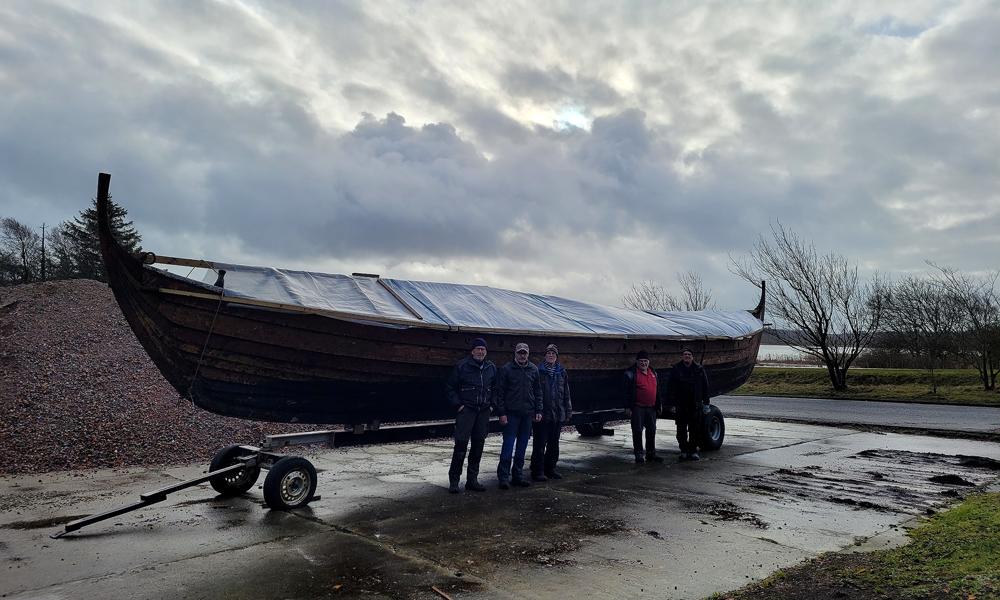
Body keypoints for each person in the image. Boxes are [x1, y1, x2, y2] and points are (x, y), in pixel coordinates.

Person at [444, 337, 496, 493]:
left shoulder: (491, 367)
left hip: (483, 412)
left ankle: (472, 480)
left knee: (478, 446)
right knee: (460, 445)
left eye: (483, 349)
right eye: (478, 349)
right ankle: (454, 480)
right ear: (472, 351)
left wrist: (492, 406)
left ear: (486, 352)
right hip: (467, 411)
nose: (480, 352)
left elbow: (496, 388)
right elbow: (450, 387)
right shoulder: (462, 366)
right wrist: (458, 405)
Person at [494, 342, 543, 489]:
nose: (522, 355)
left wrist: (538, 410)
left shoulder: (534, 369)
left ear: (528, 354)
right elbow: (499, 393)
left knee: (522, 447)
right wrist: (501, 413)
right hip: (511, 415)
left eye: (525, 353)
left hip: (527, 415)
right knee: (508, 446)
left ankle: (518, 476)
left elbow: (538, 392)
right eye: (520, 353)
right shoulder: (506, 369)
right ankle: (503, 477)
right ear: (515, 353)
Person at [530, 344, 573, 482]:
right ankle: (537, 470)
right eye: (548, 353)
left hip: (558, 413)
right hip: (542, 414)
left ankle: (551, 469)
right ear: (545, 355)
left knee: (554, 444)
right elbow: (535, 393)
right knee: (540, 443)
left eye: (553, 353)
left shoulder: (562, 372)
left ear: (556, 356)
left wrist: (568, 410)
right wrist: (537, 410)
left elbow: (566, 393)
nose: (551, 355)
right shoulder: (538, 371)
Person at [667, 348, 710, 461]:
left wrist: (706, 403)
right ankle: (684, 450)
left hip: (695, 405)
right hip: (681, 404)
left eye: (689, 354)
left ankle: (693, 451)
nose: (687, 356)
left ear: (692, 357)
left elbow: (705, 387)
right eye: (685, 354)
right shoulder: (676, 369)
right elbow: (670, 387)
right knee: (681, 430)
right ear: (682, 356)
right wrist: (671, 404)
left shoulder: (699, 369)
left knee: (694, 429)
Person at [623, 350, 664, 464]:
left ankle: (651, 454)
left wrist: (659, 404)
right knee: (637, 431)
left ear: (648, 362)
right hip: (637, 407)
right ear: (637, 362)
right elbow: (626, 392)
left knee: (651, 430)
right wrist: (627, 407)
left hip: (651, 407)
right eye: (641, 361)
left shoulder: (653, 372)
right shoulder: (631, 373)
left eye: (645, 361)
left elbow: (657, 390)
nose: (643, 363)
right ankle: (639, 454)